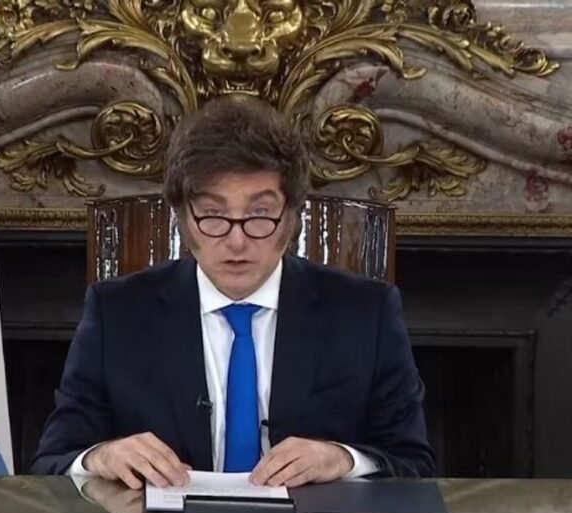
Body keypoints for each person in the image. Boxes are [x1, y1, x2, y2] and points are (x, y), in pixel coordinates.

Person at [31, 97, 434, 487]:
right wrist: (102, 456)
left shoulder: (366, 313)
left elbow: (415, 465)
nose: (237, 241)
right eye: (213, 214)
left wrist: (344, 459)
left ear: (292, 216)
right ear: (183, 218)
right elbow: (51, 462)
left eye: (260, 214)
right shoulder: (117, 313)